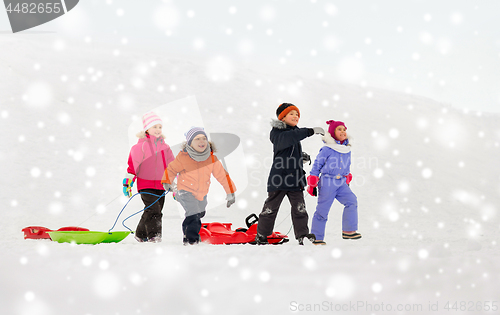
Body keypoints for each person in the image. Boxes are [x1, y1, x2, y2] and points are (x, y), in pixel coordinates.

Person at [255, 103, 325, 245]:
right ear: (282, 117)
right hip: (279, 178)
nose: (296, 116)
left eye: (297, 114)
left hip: (295, 180)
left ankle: (303, 235)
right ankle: (262, 234)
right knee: (270, 209)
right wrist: (310, 131)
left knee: (300, 209)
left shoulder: (295, 133)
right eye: (292, 114)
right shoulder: (277, 133)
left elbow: (288, 150)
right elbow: (288, 138)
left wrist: (300, 157)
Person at [162, 127, 237, 245]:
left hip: (202, 193)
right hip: (185, 191)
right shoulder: (183, 157)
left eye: (204, 138)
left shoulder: (211, 158)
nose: (201, 141)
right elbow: (171, 169)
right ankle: (191, 241)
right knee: (193, 212)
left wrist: (230, 192)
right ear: (190, 143)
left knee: (200, 213)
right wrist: (167, 181)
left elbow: (223, 176)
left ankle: (192, 230)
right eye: (197, 139)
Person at [307, 120, 360, 245]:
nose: (342, 131)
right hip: (327, 182)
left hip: (341, 182)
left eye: (344, 129)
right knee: (322, 210)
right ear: (332, 133)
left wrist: (347, 177)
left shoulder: (347, 149)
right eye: (339, 129)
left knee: (352, 201)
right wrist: (312, 182)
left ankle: (348, 230)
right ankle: (316, 237)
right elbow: (317, 165)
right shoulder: (327, 149)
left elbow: (347, 165)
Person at [124, 111, 175, 243]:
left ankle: (140, 234)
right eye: (154, 127)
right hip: (145, 184)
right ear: (147, 129)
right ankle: (154, 236)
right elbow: (132, 166)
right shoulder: (140, 147)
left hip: (161, 185)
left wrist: (175, 185)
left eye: (160, 127)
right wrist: (128, 182)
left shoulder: (165, 147)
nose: (158, 130)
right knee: (154, 210)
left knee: (152, 210)